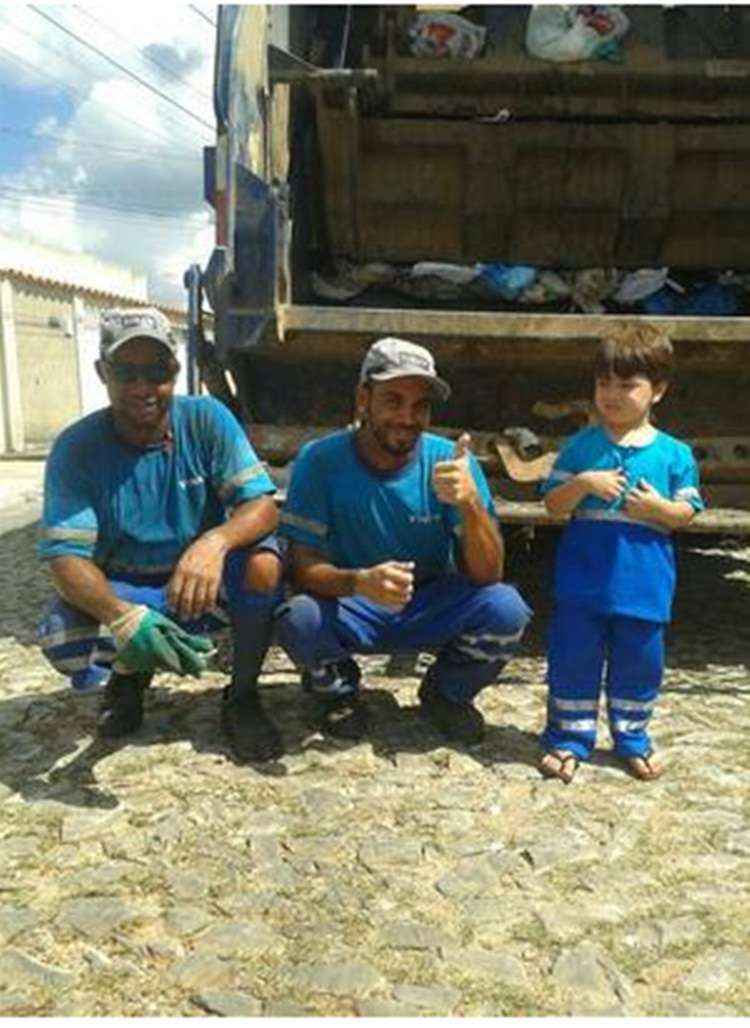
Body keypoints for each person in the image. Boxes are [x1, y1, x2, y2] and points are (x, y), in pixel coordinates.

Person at [37, 307, 284, 763]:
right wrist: (121, 615)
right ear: (101, 373)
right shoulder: (77, 448)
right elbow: (64, 557)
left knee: (264, 566)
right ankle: (129, 677)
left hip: (201, 583)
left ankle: (243, 695)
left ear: (174, 371)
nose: (143, 388)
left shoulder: (206, 418)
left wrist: (215, 542)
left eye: (157, 371)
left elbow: (262, 505)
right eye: (125, 373)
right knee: (63, 638)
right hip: (129, 585)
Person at [274, 336, 531, 743]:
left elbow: (488, 575)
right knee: (298, 618)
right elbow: (301, 566)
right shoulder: (319, 461)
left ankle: (447, 693)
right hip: (354, 601)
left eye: (420, 405)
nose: (407, 417)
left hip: (430, 599)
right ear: (363, 399)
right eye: (393, 400)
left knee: (506, 609)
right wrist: (360, 582)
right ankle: (338, 692)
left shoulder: (450, 462)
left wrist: (468, 504)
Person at [538, 323, 704, 783]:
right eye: (603, 383)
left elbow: (688, 512)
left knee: (640, 662)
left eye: (627, 385)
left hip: (645, 588)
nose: (611, 394)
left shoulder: (675, 454)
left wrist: (658, 508)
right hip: (581, 586)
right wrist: (584, 483)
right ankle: (568, 738)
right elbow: (552, 505)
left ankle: (632, 737)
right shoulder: (581, 447)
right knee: (573, 659)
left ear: (659, 391)